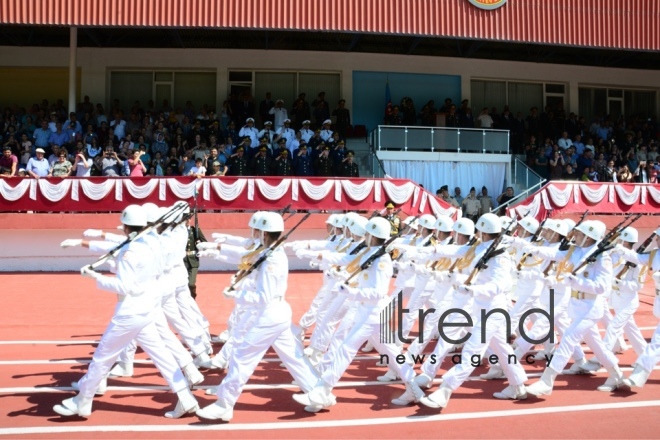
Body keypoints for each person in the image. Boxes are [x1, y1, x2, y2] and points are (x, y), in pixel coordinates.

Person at [53, 205, 198, 419]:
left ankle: (82, 400)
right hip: (147, 308)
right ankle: (186, 398)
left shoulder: (132, 250)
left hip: (130, 311)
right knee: (162, 356)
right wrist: (82, 243)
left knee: (102, 357)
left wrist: (96, 278)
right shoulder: (153, 242)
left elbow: (124, 286)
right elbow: (115, 245)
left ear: (127, 227)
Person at [196, 212, 320, 422]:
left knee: (242, 357)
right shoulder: (265, 250)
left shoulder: (272, 258)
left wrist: (238, 295)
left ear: (262, 233)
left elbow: (264, 296)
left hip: (269, 314)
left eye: (255, 230)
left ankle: (224, 404)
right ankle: (319, 393)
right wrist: (216, 250)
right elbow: (243, 255)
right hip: (274, 312)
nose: (252, 234)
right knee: (293, 356)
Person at [417, 213, 529, 409]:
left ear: (482, 230)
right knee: (501, 348)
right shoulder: (481, 247)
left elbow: (500, 285)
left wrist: (472, 289)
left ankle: (445, 389)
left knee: (472, 350)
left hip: (493, 308)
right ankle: (518, 385)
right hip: (480, 306)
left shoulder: (500, 255)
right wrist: (431, 250)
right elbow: (457, 250)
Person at [524, 220, 625, 396]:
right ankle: (617, 375)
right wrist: (530, 247)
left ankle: (546, 381)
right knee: (598, 346)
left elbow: (602, 287)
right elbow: (555, 254)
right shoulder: (575, 251)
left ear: (588, 237)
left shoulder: (602, 257)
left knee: (568, 339)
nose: (574, 235)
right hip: (577, 306)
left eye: (578, 233)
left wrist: (577, 281)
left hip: (591, 307)